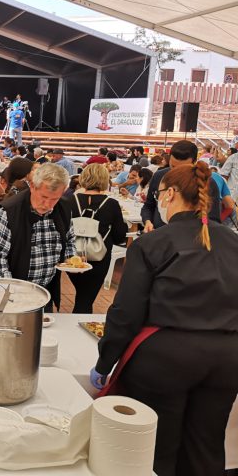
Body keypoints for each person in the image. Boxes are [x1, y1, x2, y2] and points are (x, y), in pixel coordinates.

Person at [91, 161, 238, 476]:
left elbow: (126, 313)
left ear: (170, 194)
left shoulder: (153, 242)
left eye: (158, 194)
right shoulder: (233, 242)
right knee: (206, 446)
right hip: (227, 357)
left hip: (167, 358)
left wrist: (105, 363)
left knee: (157, 450)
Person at [0, 163, 76, 311]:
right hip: (13, 294)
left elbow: (69, 240)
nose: (47, 204)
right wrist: (13, 292)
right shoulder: (9, 211)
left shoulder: (65, 208)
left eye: (54, 199)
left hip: (46, 293)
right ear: (32, 186)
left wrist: (71, 258)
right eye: (43, 197)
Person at [67, 164, 127, 313]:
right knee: (86, 299)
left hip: (73, 255)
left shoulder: (69, 200)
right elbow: (120, 236)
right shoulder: (111, 204)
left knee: (83, 295)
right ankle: (78, 330)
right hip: (99, 257)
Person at [142, 140, 221, 233]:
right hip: (158, 234)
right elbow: (148, 206)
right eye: (173, 166)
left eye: (183, 168)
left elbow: (212, 218)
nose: (177, 172)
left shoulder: (206, 182)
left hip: (190, 239)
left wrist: (204, 225)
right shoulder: (159, 176)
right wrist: (147, 221)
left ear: (194, 162)